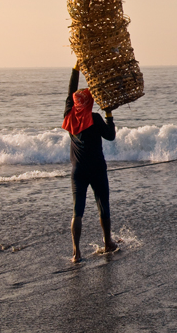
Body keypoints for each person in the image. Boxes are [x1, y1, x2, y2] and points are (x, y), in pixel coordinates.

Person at [63, 62, 118, 263]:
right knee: (103, 204)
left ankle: (76, 252)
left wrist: (75, 69)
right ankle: (108, 242)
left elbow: (70, 93)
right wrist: (109, 114)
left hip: (77, 171)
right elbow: (111, 136)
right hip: (97, 169)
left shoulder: (69, 117)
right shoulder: (94, 118)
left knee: (77, 210)